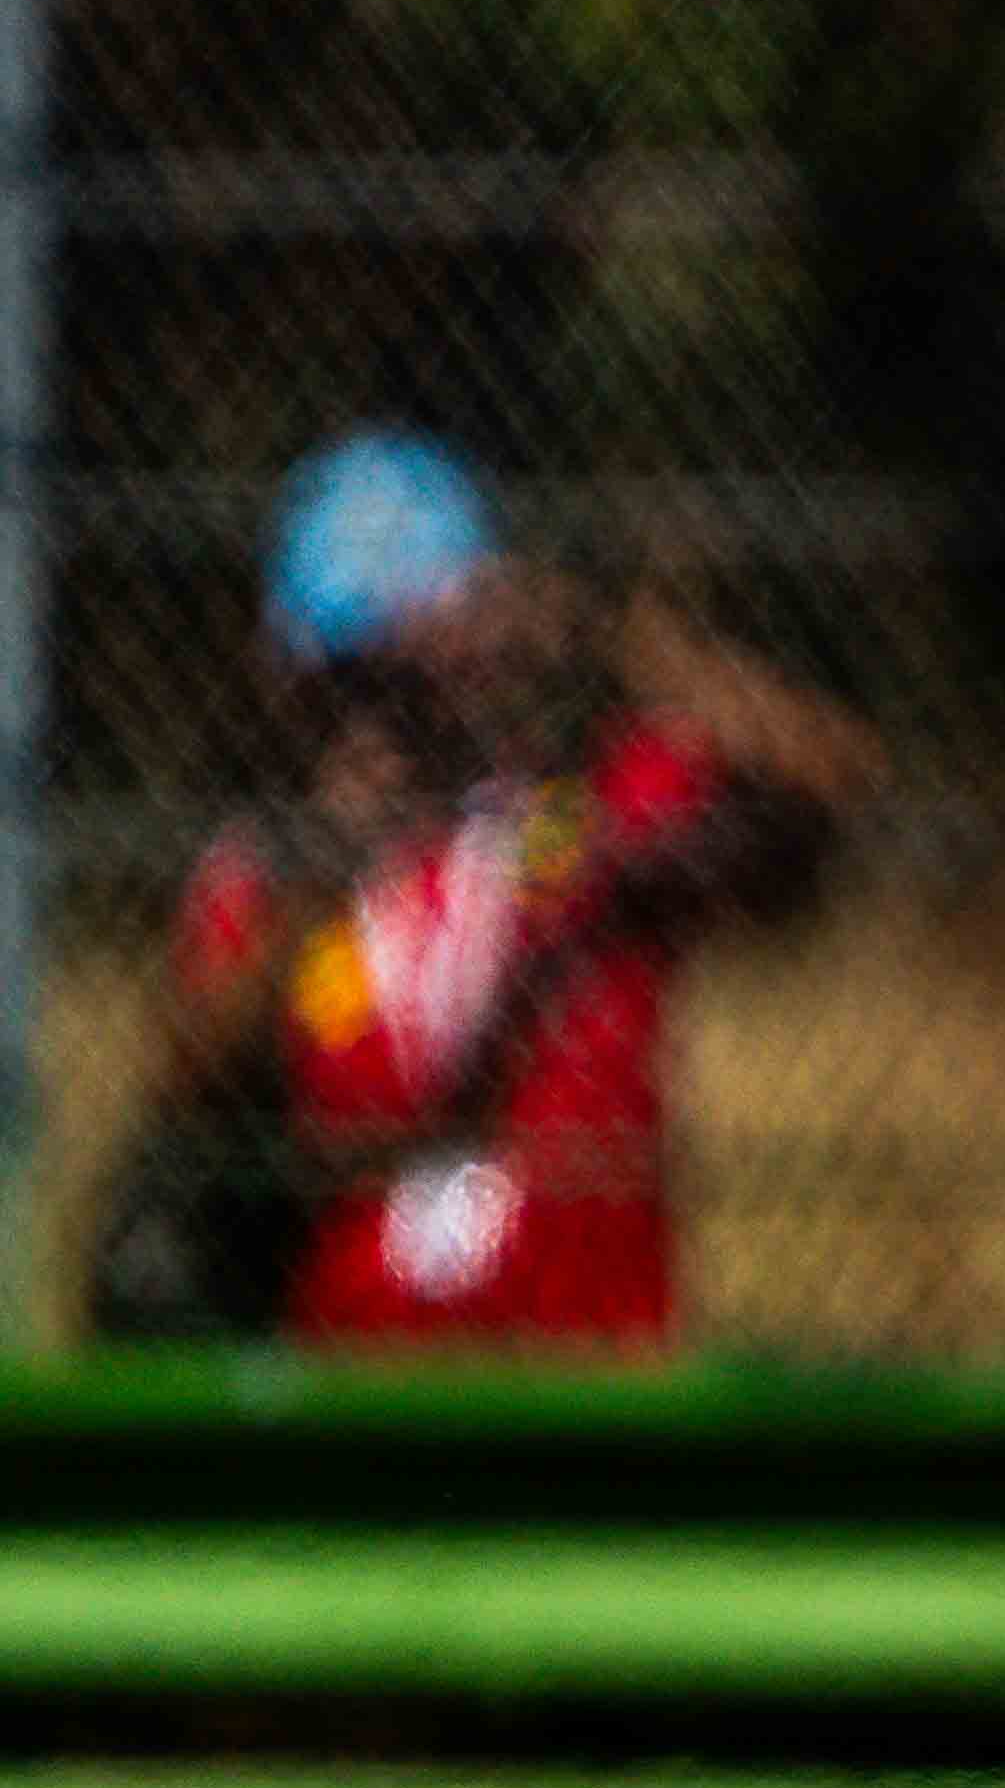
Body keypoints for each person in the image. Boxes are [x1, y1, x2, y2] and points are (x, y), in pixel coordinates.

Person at [116, 432, 883, 1351]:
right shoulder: (267, 873)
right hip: (360, 1391)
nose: (384, 712)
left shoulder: (588, 809)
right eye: (352, 677)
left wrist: (621, 641)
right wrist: (321, 873)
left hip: (588, 1369)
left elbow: (836, 784)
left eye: (414, 669)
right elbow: (183, 1085)